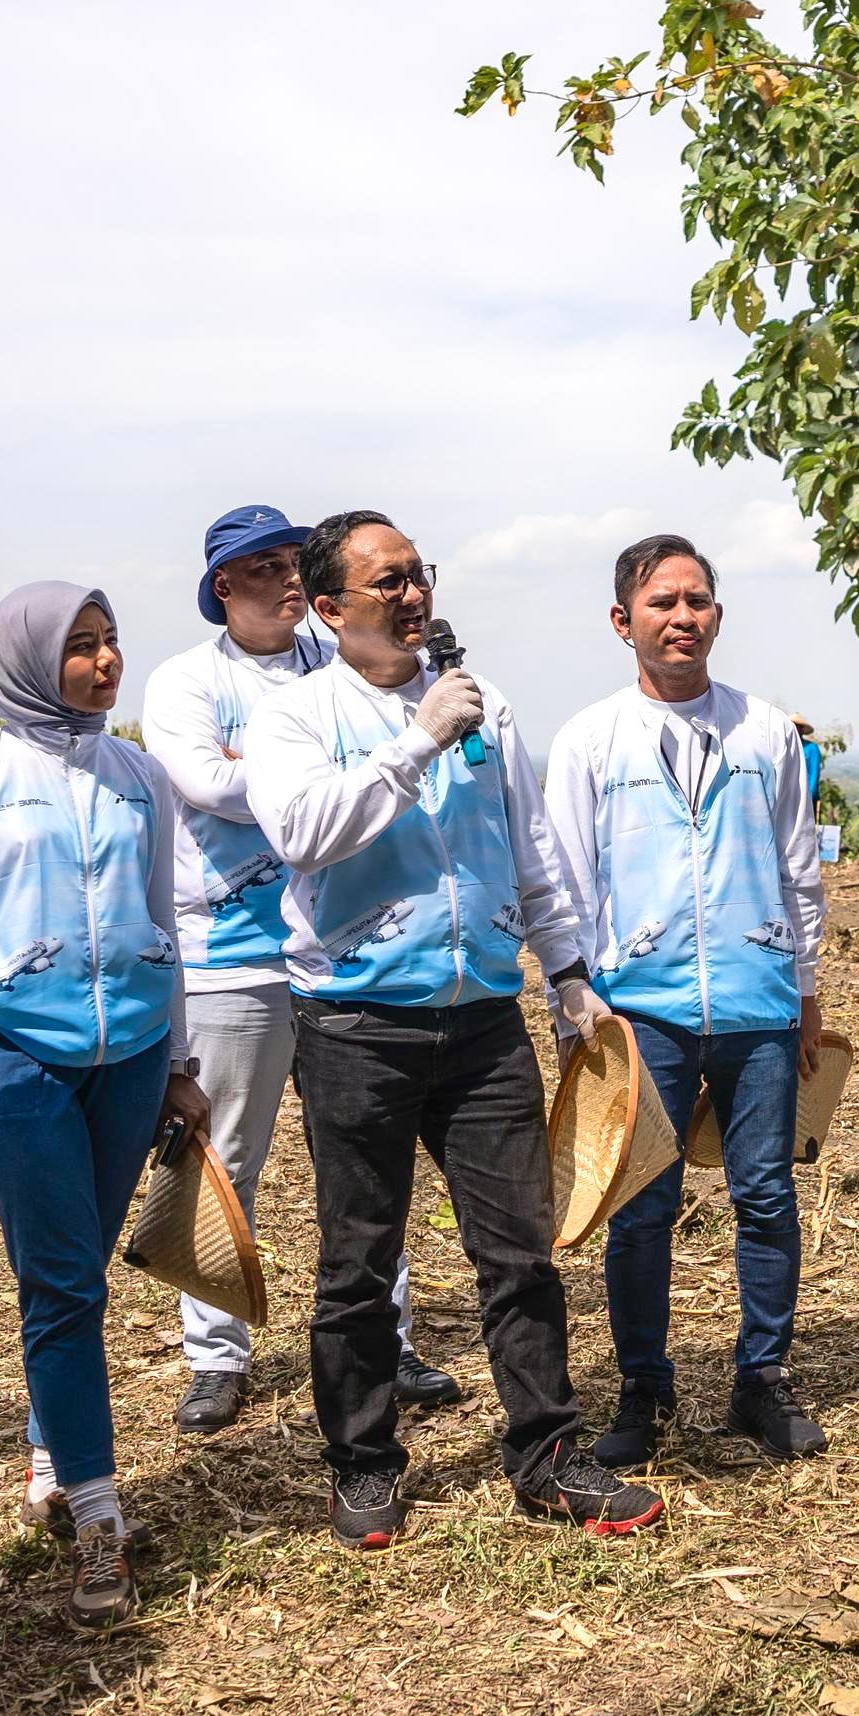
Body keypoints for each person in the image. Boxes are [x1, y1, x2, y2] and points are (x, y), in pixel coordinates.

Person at [242, 512, 660, 1548]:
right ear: (331, 608)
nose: (412, 594)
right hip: (354, 1022)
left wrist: (566, 977)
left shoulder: (488, 706)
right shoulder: (299, 716)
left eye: (417, 574)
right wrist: (415, 737)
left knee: (518, 1250)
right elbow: (303, 832)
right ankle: (365, 1462)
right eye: (385, 582)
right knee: (356, 1259)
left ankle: (544, 1452)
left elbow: (531, 857)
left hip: (481, 1020)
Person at [137, 504, 454, 1438]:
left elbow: (320, 786)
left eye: (292, 563)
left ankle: (387, 1339)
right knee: (225, 1157)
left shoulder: (340, 667)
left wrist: (296, 777)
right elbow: (210, 786)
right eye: (261, 566)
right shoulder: (185, 682)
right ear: (222, 587)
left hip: (349, 956)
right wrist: (302, 780)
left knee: (362, 1161)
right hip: (229, 960)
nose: (283, 579)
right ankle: (214, 1357)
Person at [539, 536, 830, 1470]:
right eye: (661, 603)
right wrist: (573, 1007)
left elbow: (798, 867)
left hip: (758, 1004)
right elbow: (566, 879)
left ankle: (763, 1376)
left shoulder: (764, 732)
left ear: (717, 616)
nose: (683, 617)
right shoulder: (590, 739)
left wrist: (807, 987)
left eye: (698, 601)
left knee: (767, 1193)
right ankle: (644, 1386)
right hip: (641, 1012)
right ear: (623, 621)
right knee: (641, 1207)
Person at [0, 585, 200, 1625]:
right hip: (11, 1049)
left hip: (129, 1052)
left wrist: (178, 1057)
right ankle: (99, 1519)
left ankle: (51, 1450)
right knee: (58, 1279)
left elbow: (160, 911)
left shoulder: (139, 774)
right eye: (78, 648)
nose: (104, 663)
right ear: (23, 660)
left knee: (77, 1273)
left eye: (109, 642)